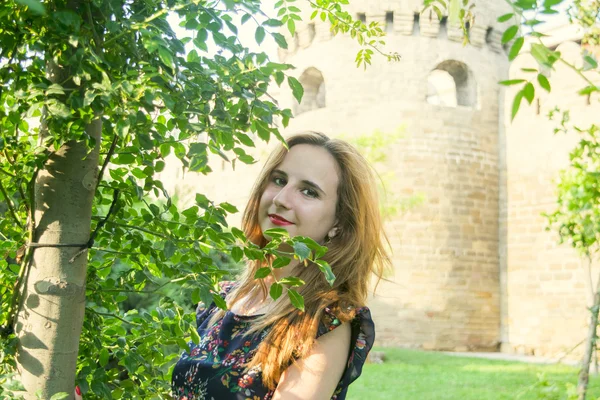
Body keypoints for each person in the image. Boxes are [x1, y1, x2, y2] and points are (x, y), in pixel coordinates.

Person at [169, 131, 391, 399]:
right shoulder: (219, 299)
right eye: (279, 180)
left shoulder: (325, 322)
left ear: (338, 223)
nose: (281, 199)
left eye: (309, 192)